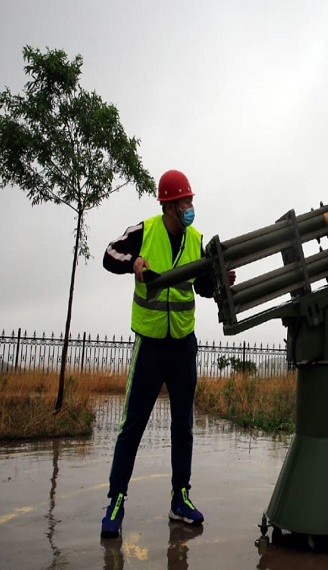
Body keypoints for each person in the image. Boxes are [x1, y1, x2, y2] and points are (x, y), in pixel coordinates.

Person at [100, 169, 234, 538]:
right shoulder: (145, 232)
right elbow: (109, 255)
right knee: (133, 426)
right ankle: (116, 500)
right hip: (150, 345)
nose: (191, 207)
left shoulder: (197, 240)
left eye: (191, 201)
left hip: (182, 346)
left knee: (183, 427)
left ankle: (180, 499)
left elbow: (204, 285)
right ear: (170, 205)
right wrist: (134, 263)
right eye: (186, 202)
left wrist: (222, 278)